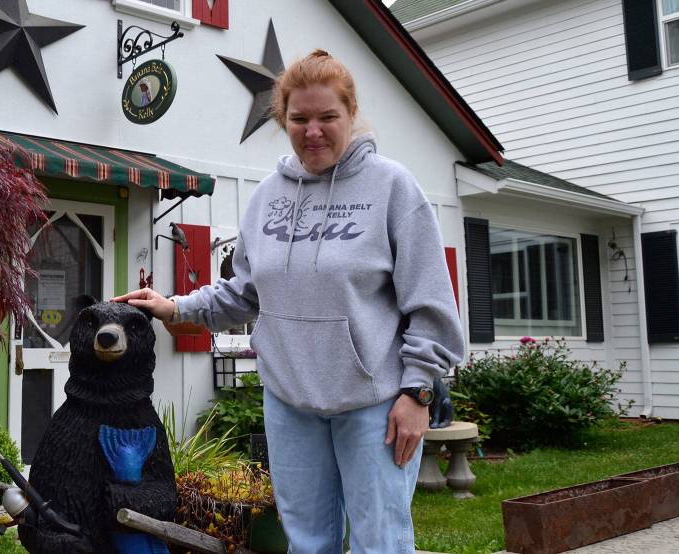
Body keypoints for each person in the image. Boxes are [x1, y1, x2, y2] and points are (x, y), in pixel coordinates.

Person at [113, 49, 464, 554]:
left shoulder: (393, 188)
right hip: (289, 402)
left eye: (327, 117)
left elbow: (430, 304)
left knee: (380, 543)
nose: (313, 131)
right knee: (306, 543)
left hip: (375, 404)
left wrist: (417, 394)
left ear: (350, 114)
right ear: (284, 119)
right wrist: (176, 308)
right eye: (299, 119)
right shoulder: (270, 197)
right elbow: (245, 293)